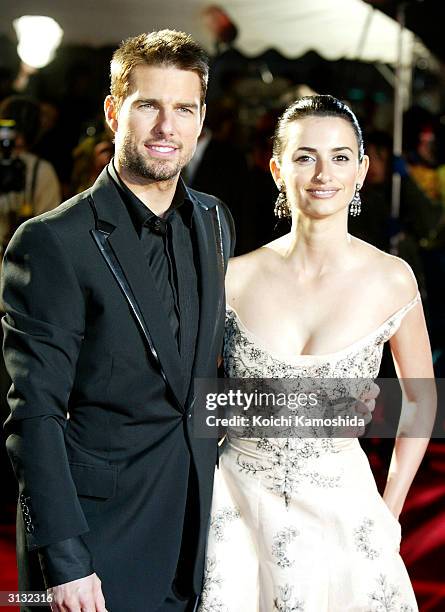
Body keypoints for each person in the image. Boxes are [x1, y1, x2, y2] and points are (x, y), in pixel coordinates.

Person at [1, 30, 235, 612]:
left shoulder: (214, 222)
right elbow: (35, 414)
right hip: (97, 545)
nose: (167, 127)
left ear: (201, 118)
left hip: (199, 535)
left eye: (183, 108)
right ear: (113, 112)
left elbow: (204, 383)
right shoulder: (53, 241)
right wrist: (66, 561)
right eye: (148, 105)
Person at [199, 96, 436, 611]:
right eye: (305, 156)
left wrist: (388, 506)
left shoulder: (392, 279)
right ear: (277, 168)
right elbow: (199, 398)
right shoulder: (232, 276)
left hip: (344, 506)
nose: (323, 173)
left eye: (341, 156)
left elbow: (420, 400)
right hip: (236, 503)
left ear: (363, 169)